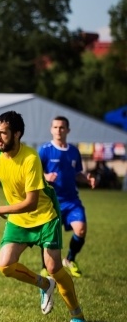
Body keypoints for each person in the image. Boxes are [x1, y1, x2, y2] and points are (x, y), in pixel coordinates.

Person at [0, 111, 86, 322]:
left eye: (3, 133)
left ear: (17, 134)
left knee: (54, 267)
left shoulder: (31, 158)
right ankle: (44, 285)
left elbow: (32, 203)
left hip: (45, 216)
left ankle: (77, 315)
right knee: (5, 266)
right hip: (18, 218)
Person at [38, 116, 95, 278]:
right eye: (55, 127)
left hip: (71, 200)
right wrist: (45, 176)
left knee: (81, 229)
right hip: (51, 202)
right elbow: (33, 172)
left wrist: (86, 179)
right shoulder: (45, 150)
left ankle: (69, 259)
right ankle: (45, 267)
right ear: (51, 129)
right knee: (48, 238)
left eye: (62, 127)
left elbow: (77, 174)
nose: (58, 130)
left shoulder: (74, 151)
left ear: (68, 130)